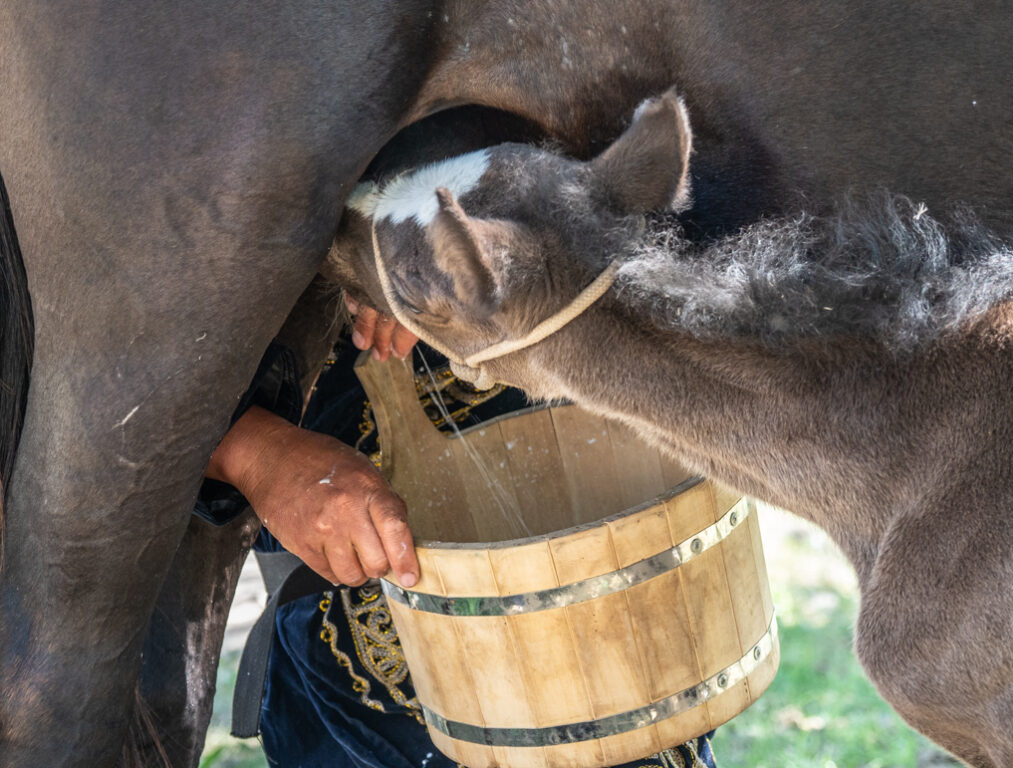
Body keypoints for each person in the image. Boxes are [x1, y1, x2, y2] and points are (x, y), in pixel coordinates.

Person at [197, 303, 718, 768]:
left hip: (621, 620)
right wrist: (256, 453)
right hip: (363, 670)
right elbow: (123, 384)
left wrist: (416, 246)